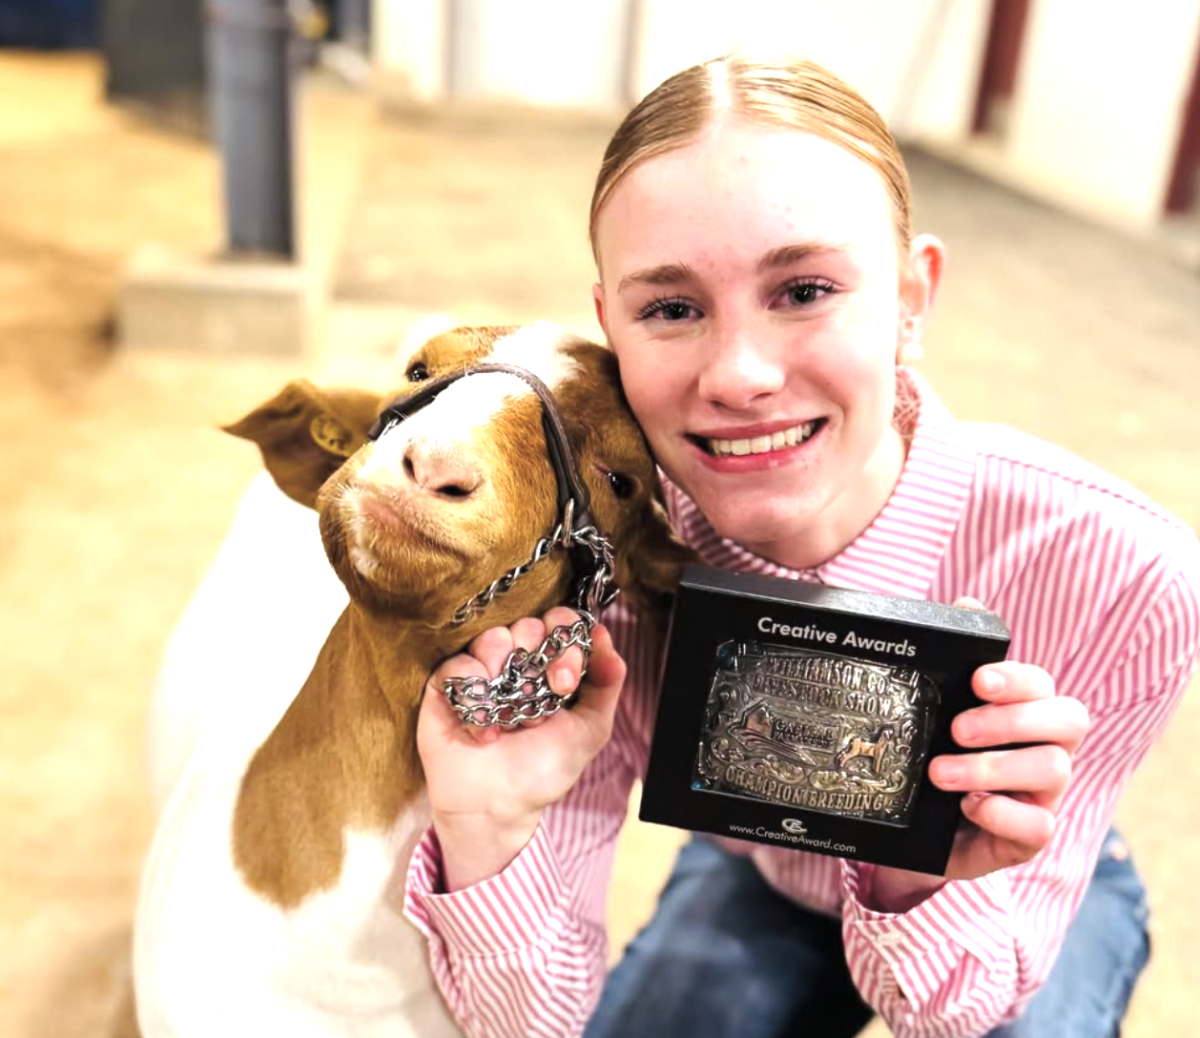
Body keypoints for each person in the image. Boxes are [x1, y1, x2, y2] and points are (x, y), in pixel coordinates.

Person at [399, 54, 1200, 1038]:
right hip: (759, 863)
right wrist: (489, 829)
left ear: (911, 300)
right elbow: (530, 1022)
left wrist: (919, 872)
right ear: (610, 324)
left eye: (806, 289)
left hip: (1016, 882)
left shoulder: (1125, 573)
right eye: (672, 309)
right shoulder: (586, 569)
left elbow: (958, 1007)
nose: (739, 375)